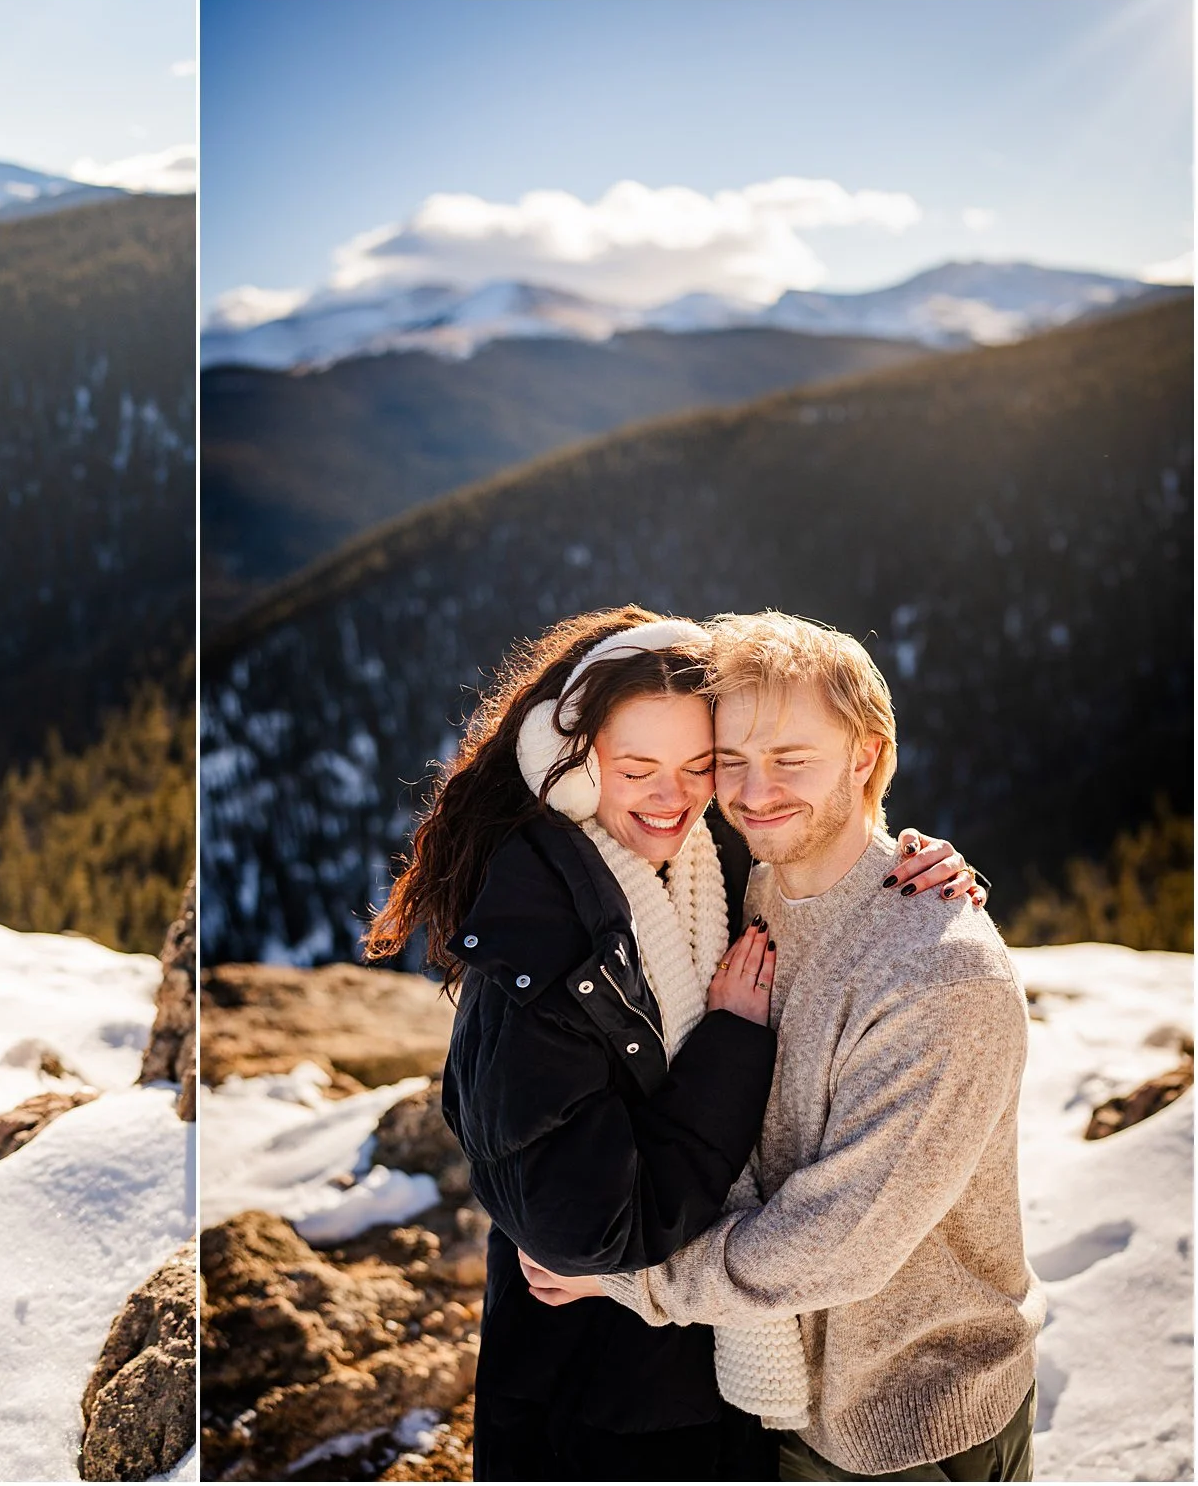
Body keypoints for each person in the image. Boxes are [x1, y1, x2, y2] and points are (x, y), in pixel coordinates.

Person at [364, 605, 984, 1481]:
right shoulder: (538, 940)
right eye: (638, 768)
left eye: (702, 765)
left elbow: (816, 837)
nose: (675, 795)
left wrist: (913, 868)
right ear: (570, 770)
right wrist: (729, 1042)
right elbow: (589, 1229)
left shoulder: (705, 865)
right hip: (599, 1398)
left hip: (705, 1379)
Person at [520, 613, 1041, 1482]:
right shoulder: (744, 881)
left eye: (792, 758)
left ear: (866, 756)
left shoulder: (942, 977)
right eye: (732, 760)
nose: (754, 791)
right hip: (776, 1399)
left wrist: (630, 1275)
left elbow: (836, 1243)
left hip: (915, 1426)